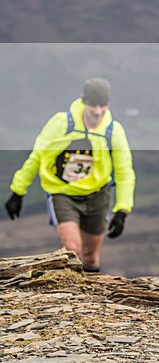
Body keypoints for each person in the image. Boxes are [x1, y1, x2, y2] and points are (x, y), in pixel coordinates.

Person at [4, 78, 135, 272]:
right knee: (72, 250)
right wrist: (18, 191)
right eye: (93, 105)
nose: (98, 111)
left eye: (103, 105)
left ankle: (90, 299)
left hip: (97, 194)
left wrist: (122, 209)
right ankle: (72, 295)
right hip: (62, 193)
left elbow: (125, 171)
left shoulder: (113, 132)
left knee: (91, 257)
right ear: (84, 102)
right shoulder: (60, 125)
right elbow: (37, 156)